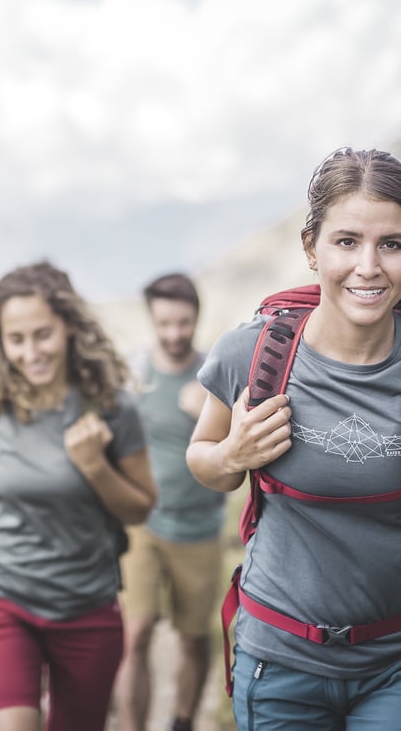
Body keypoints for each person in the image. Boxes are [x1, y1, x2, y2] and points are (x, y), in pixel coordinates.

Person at [186, 147, 401, 730]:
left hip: (393, 664)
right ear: (312, 248)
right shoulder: (253, 354)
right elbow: (203, 458)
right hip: (279, 665)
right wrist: (234, 453)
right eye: (347, 241)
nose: (369, 266)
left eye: (393, 244)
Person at [0, 260, 157, 731]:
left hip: (89, 611)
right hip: (3, 603)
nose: (31, 352)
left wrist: (95, 467)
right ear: (1, 342)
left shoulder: (113, 407)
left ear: (70, 328)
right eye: (17, 339)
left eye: (43, 334)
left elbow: (141, 506)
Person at [114, 273, 225, 731]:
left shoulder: (214, 376)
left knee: (193, 640)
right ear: (152, 320)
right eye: (164, 323)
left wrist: (212, 411)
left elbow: (239, 451)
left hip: (198, 529)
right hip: (142, 527)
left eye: (183, 323)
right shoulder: (134, 375)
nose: (174, 334)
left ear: (196, 318)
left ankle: (182, 722)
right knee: (134, 634)